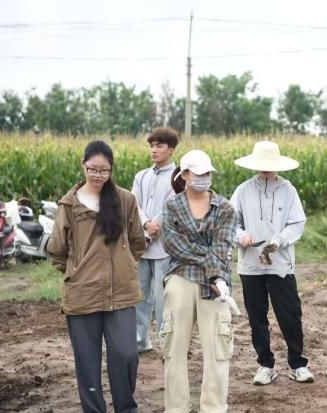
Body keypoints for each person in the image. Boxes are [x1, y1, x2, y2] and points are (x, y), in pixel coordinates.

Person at [48, 140, 146, 413]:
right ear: (83, 165)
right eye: (92, 169)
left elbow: (137, 242)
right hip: (82, 293)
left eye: (104, 170)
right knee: (87, 361)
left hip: (122, 291)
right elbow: (57, 249)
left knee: (126, 354)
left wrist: (123, 266)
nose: (98, 175)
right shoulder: (69, 204)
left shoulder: (125, 200)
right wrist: (77, 271)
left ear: (111, 169)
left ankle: (126, 407)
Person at [230, 140, 314, 385]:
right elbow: (231, 221)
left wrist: (280, 240)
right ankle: (265, 364)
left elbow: (297, 222)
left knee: (290, 314)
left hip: (280, 263)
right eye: (262, 164)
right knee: (257, 317)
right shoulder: (243, 190)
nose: (266, 169)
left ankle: (298, 364)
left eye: (270, 164)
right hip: (250, 264)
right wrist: (241, 236)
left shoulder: (288, 190)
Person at [160, 149, 236, 413]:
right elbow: (172, 244)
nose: (204, 178)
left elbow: (223, 246)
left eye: (207, 173)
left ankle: (214, 407)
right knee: (174, 347)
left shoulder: (225, 208)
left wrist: (218, 277)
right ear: (184, 175)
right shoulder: (172, 206)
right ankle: (176, 408)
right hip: (180, 276)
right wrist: (210, 263)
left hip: (216, 286)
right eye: (198, 173)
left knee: (217, 349)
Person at [131, 127, 178, 353]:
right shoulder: (141, 176)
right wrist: (145, 224)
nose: (154, 150)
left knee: (163, 298)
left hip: (164, 247)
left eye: (159, 146)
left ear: (171, 150)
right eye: (151, 146)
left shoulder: (178, 177)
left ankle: (166, 344)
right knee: (139, 295)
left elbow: (172, 206)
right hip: (142, 245)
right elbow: (134, 204)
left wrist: (153, 226)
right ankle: (140, 341)